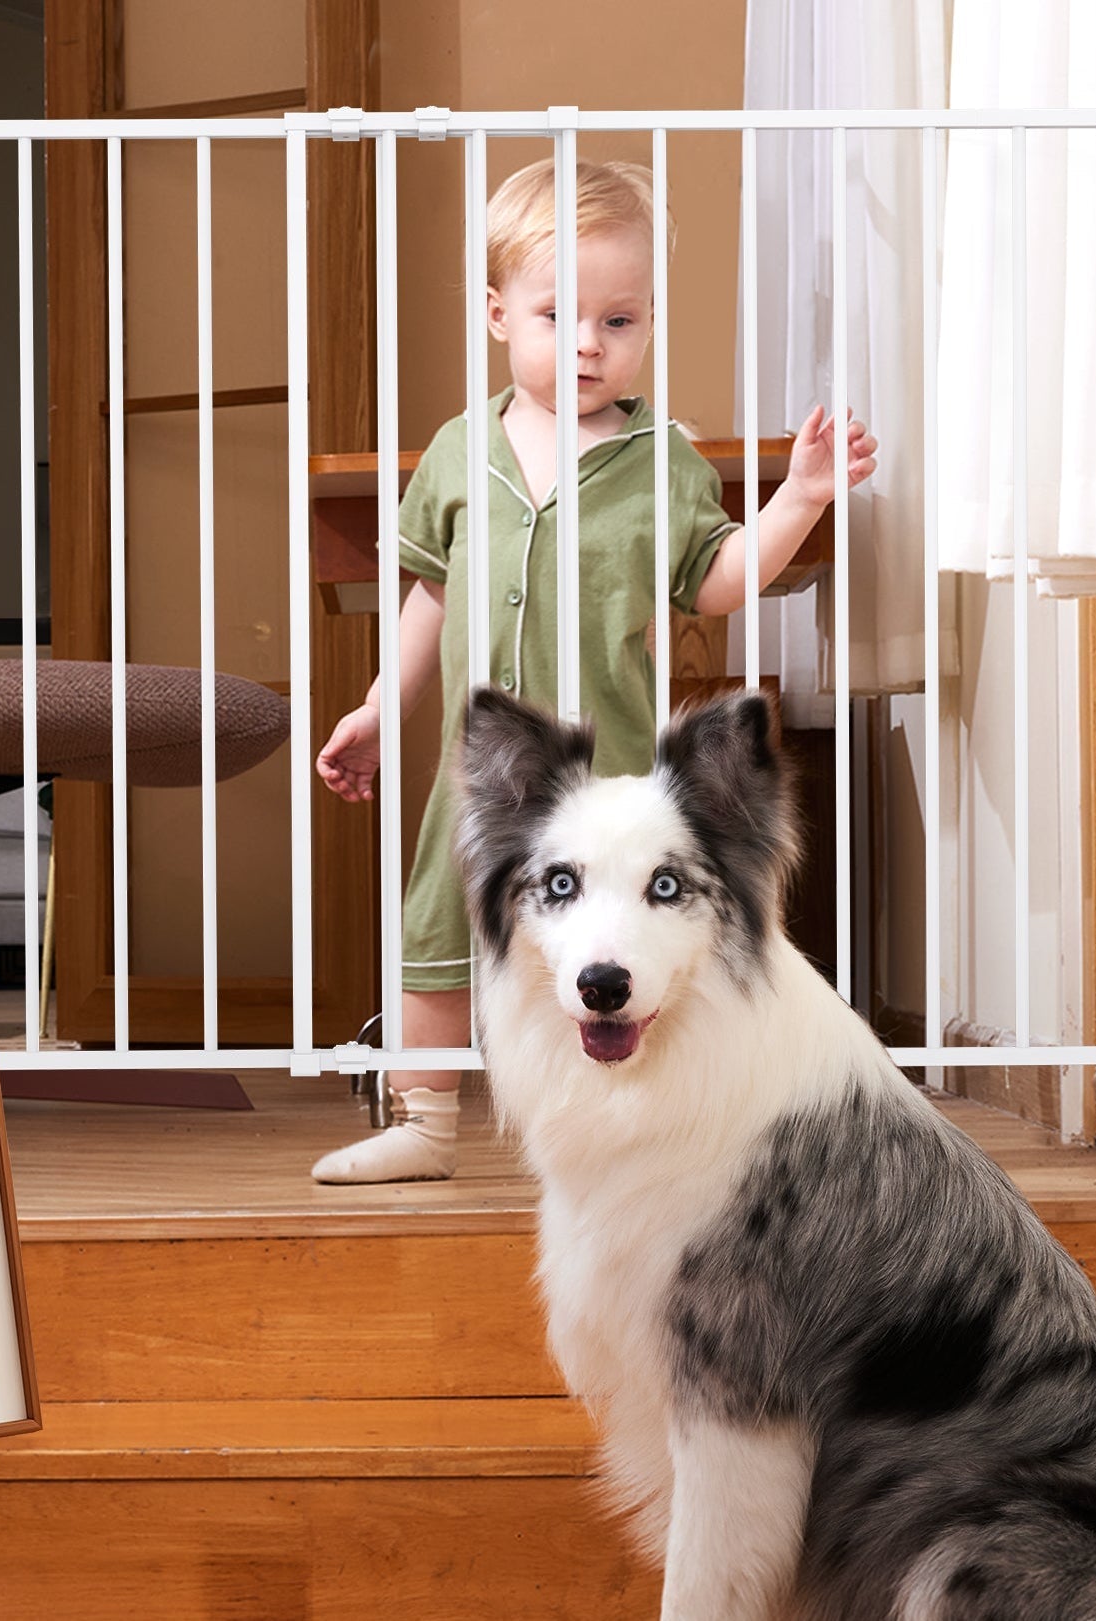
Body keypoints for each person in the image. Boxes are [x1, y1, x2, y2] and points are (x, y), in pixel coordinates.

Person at [312, 157, 877, 1184]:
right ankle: (425, 1121)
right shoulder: (456, 451)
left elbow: (717, 578)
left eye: (619, 321)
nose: (586, 344)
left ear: (650, 323)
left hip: (608, 779)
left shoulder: (662, 459)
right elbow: (429, 597)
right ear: (497, 315)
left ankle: (624, 1133)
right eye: (556, 315)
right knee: (438, 935)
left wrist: (797, 499)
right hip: (484, 778)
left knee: (612, 947)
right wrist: (381, 709)